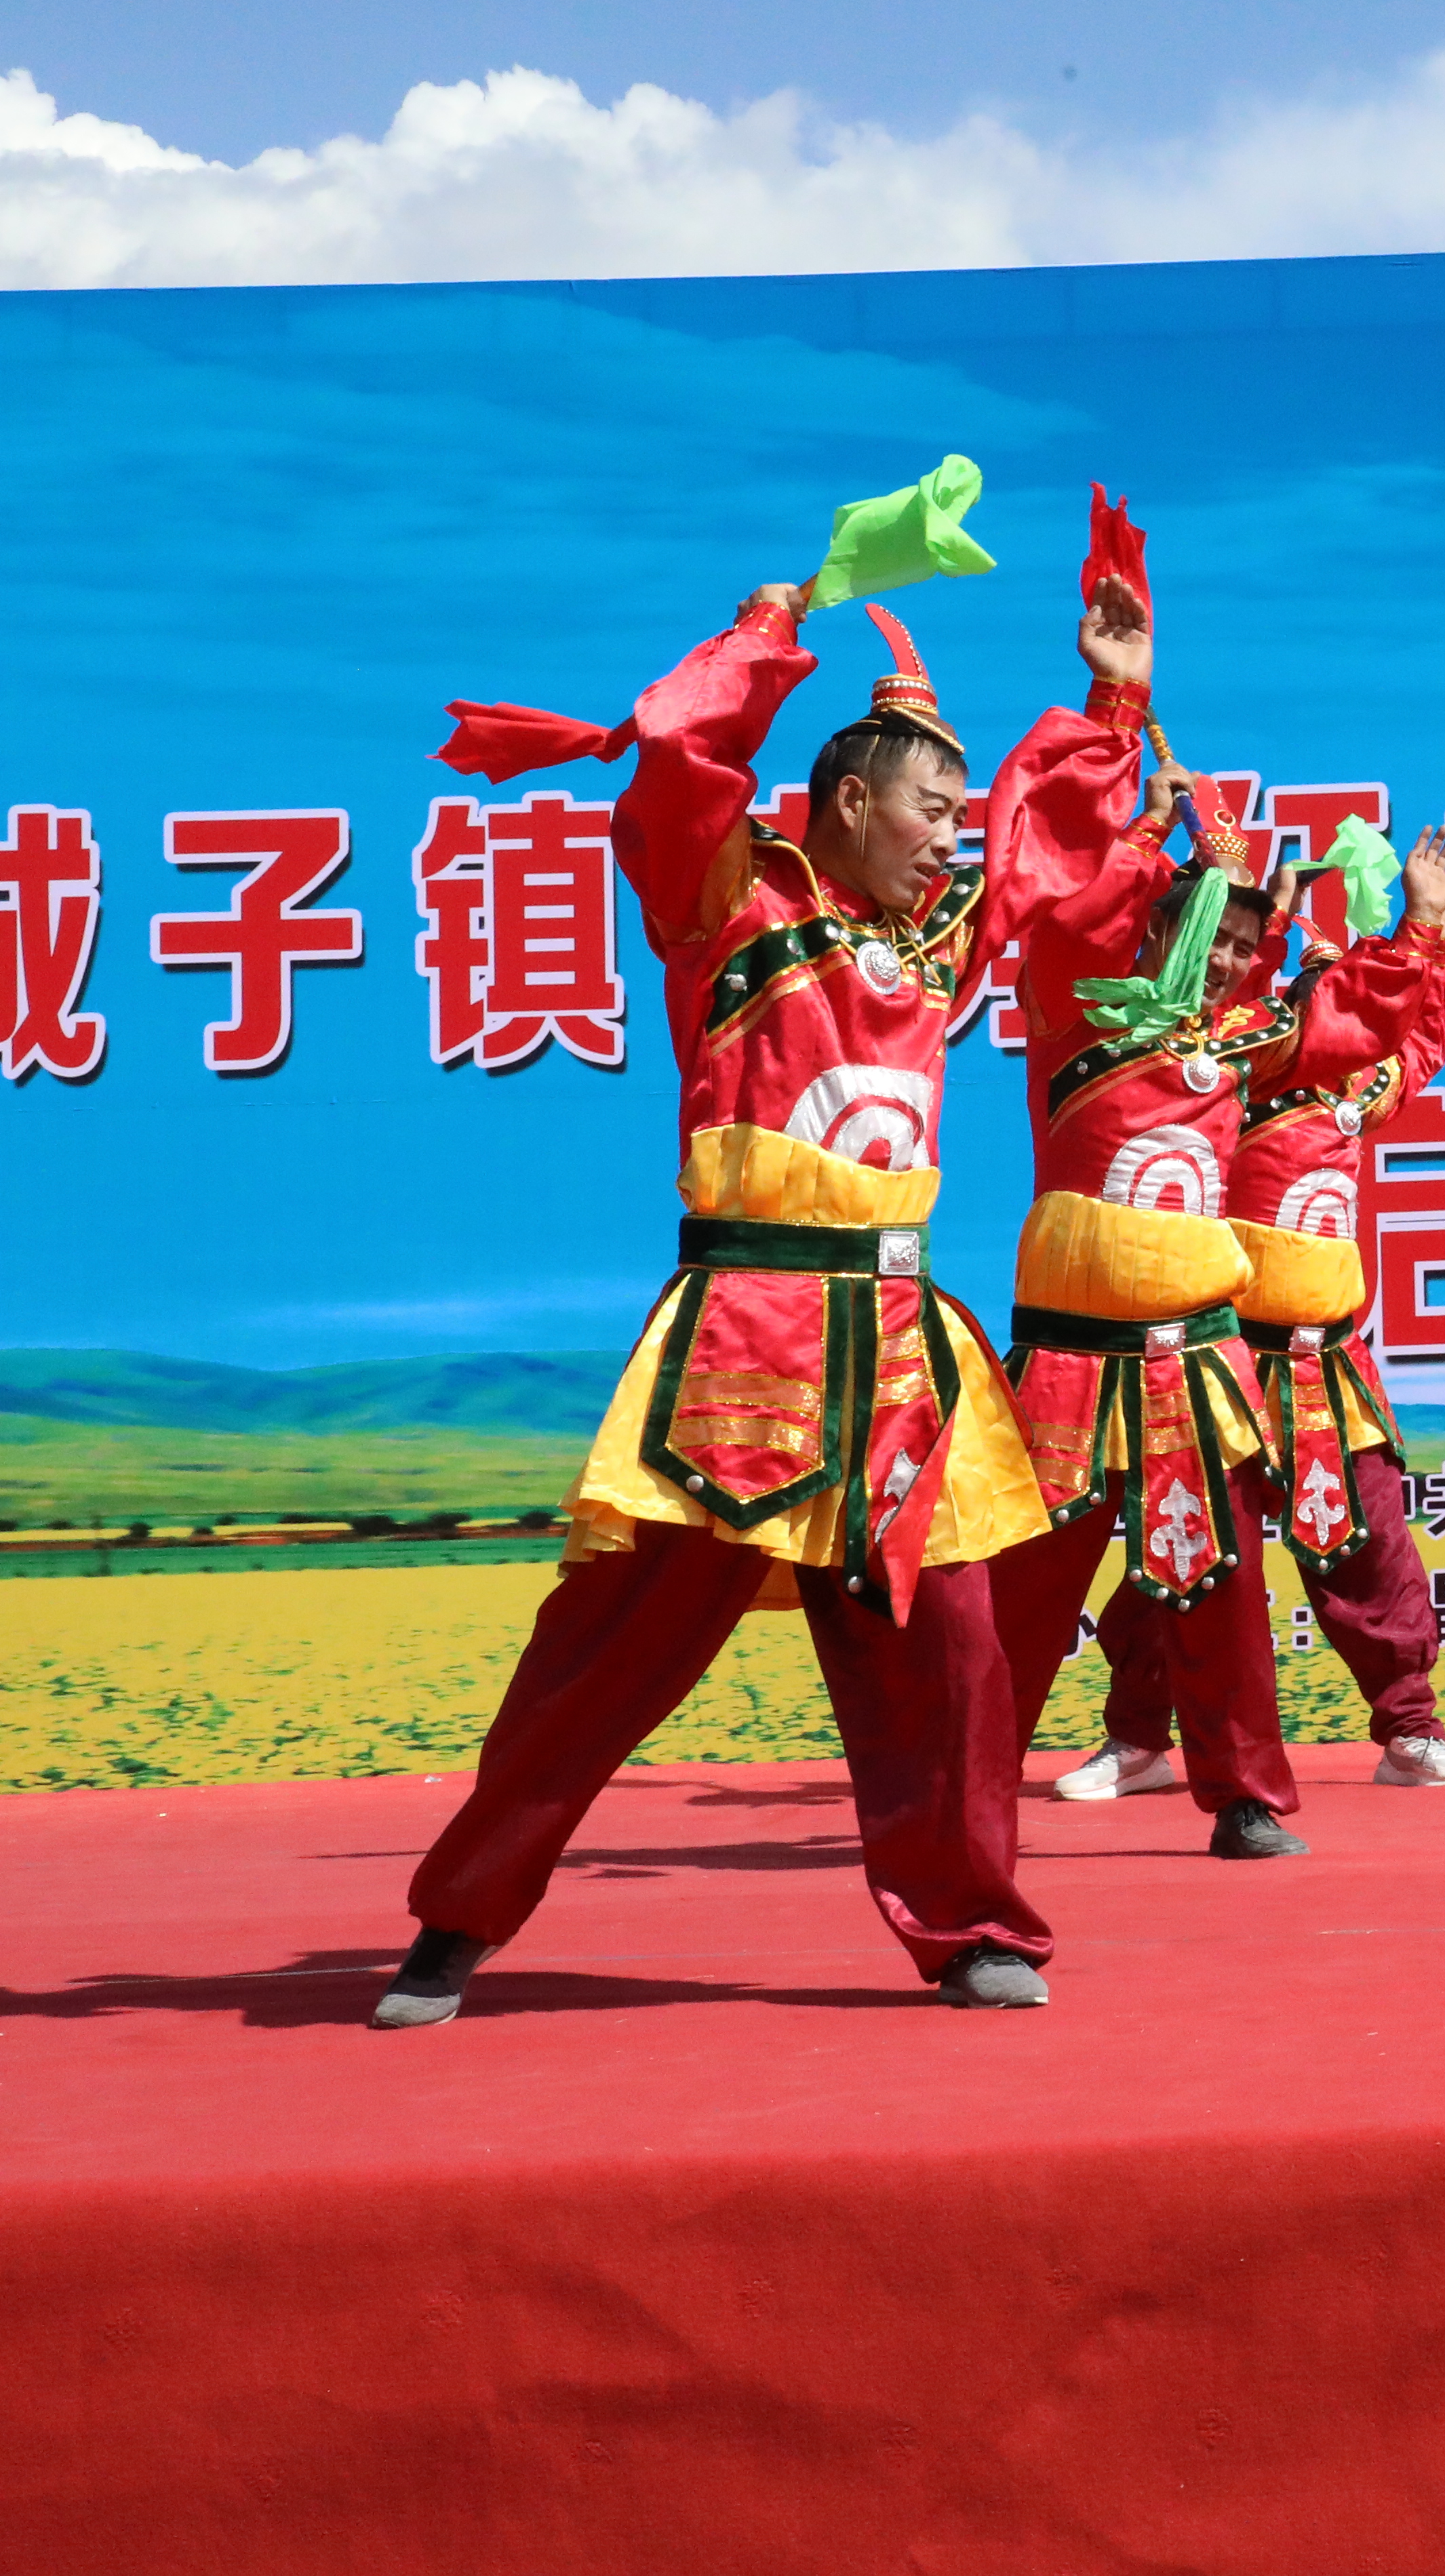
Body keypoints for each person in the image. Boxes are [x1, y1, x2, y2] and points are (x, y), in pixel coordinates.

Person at [377, 566, 1150, 2026]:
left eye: (957, 814)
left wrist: (1116, 697)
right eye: (933, 807)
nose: (952, 836)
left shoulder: (935, 944)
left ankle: (974, 1920)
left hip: (904, 1354)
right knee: (604, 1656)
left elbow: (1047, 854)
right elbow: (681, 767)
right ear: (850, 801)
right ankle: (460, 1917)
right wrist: (763, 635)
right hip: (747, 1336)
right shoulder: (728, 905)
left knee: (959, 1650)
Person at [983, 753, 1437, 1860]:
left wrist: (1420, 928)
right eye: (1209, 935)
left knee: (1221, 1586)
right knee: (1015, 1596)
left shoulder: (1238, 1047)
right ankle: (957, 1784)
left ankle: (1244, 1795)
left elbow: (1360, 1029)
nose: (1229, 957)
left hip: (1196, 1362)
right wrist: (1141, 824)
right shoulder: (1077, 1023)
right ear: (1153, 926)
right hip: (1071, 1364)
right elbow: (1061, 920)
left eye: (1244, 943)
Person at [1054, 820, 1445, 1799]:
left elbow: (1419, 1031)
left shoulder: (1360, 1094)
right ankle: (1139, 1738)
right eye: (1318, 984)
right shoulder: (1232, 1073)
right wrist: (1238, 901)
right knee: (1188, 1547)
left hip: (1330, 1361)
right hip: (1227, 1358)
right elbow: (1217, 978)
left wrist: (1434, 925)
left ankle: (1409, 1727)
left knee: (1370, 1545)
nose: (1340, 1001)